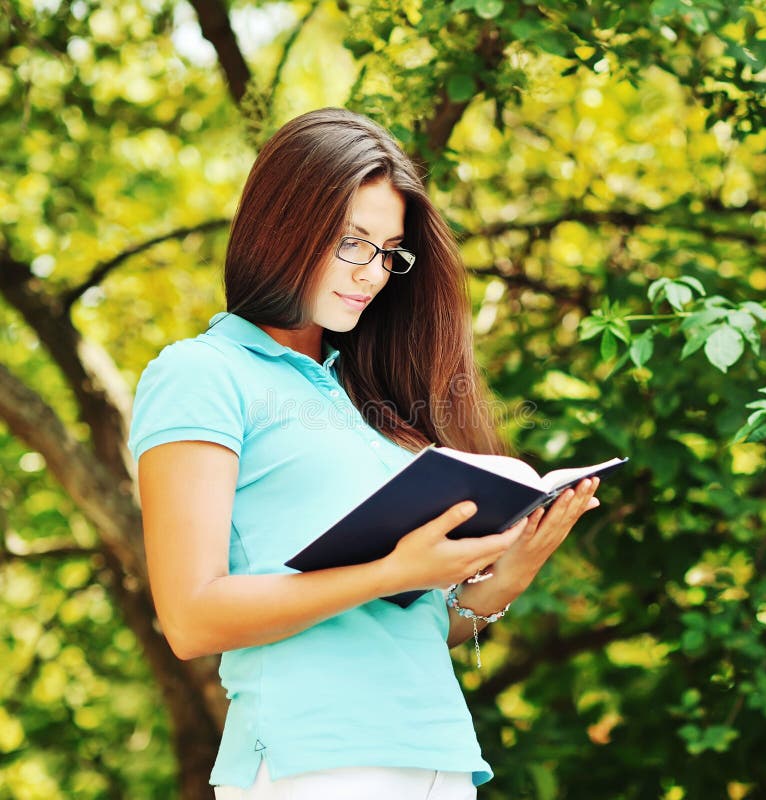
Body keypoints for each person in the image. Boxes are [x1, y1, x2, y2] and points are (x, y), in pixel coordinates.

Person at [127, 107, 600, 800]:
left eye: (388, 251)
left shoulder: (365, 393)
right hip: (310, 765)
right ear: (284, 225)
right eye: (353, 243)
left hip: (436, 757)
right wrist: (390, 571)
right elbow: (191, 619)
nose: (373, 273)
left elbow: (395, 626)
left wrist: (508, 573)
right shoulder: (201, 373)